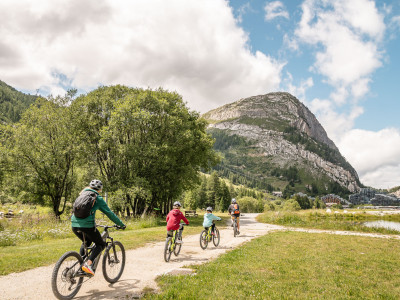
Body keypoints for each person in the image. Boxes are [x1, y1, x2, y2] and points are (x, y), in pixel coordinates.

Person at [71, 179, 126, 276]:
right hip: (87, 226)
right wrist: (121, 224)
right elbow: (109, 213)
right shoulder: (98, 198)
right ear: (100, 189)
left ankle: (81, 263)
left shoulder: (82, 195)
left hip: (74, 225)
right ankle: (88, 264)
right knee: (101, 244)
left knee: (86, 242)